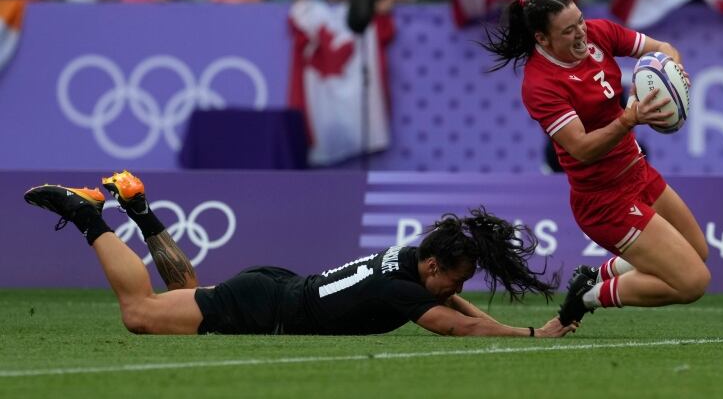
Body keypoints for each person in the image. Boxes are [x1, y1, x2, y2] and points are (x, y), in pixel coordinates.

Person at [24, 170, 576, 337]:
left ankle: (140, 208)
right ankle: (87, 214)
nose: (457, 293)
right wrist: (530, 334)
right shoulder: (406, 285)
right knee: (140, 314)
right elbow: (458, 327)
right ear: (432, 266)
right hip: (266, 305)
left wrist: (512, 326)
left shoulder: (413, 259)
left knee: (186, 297)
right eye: (454, 281)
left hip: (275, 287)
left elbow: (454, 307)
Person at [481, 0, 710, 326]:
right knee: (693, 282)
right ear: (542, 38)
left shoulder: (599, 33)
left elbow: (662, 48)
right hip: (605, 202)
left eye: (580, 21)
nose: (581, 33)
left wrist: (673, 70)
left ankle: (595, 276)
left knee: (699, 252)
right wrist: (629, 118)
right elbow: (581, 148)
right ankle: (587, 298)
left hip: (637, 171)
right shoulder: (540, 84)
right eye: (568, 30)